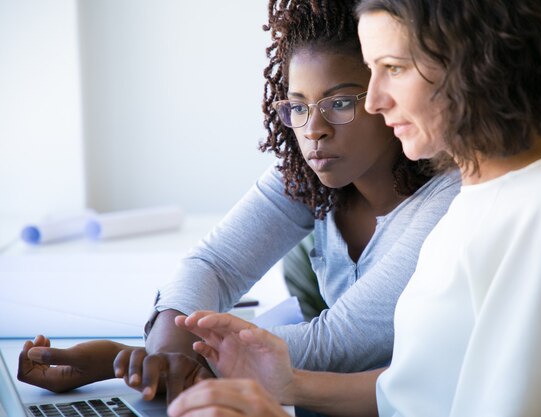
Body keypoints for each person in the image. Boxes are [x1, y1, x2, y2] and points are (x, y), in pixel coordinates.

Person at [164, 0, 541, 416]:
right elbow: (421, 393)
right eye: (371, 69)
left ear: (471, 62)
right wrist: (287, 383)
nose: (376, 100)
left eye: (394, 68)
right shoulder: (478, 199)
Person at [17, 0, 460, 404]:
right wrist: (164, 353)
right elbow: (214, 263)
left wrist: (138, 357)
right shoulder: (311, 175)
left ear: (389, 94)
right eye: (299, 107)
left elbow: (339, 341)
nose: (314, 130)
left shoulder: (452, 197)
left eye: (341, 102)